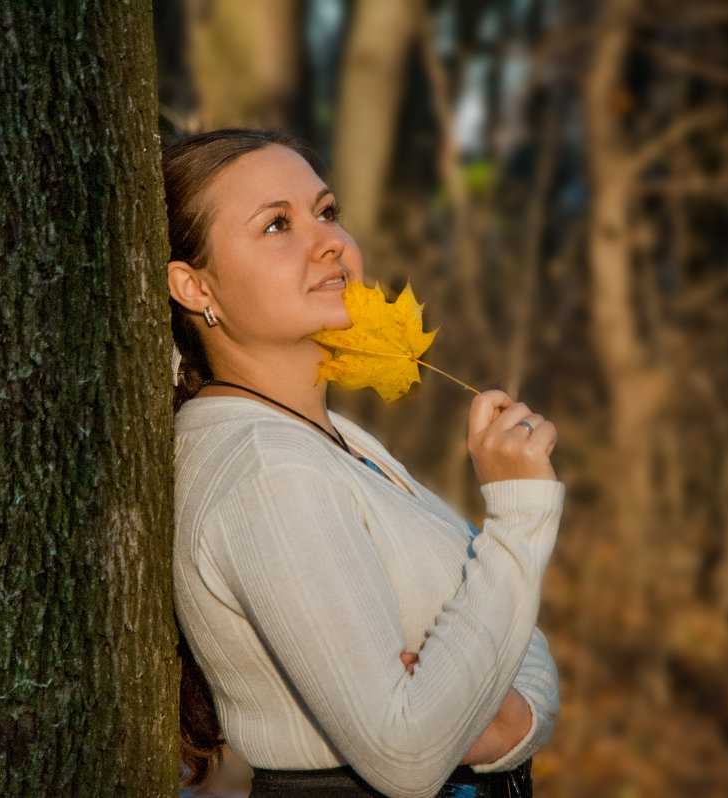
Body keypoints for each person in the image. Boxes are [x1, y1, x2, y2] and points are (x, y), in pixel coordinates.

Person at [166, 128, 564, 798]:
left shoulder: (334, 440)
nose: (327, 241)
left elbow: (530, 648)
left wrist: (507, 716)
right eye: (276, 225)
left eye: (326, 212)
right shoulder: (267, 470)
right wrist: (519, 519)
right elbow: (408, 755)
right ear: (193, 284)